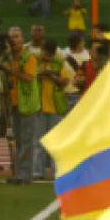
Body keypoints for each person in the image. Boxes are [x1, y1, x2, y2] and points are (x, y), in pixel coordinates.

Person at [3, 27, 40, 184]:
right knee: (18, 140)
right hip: (15, 104)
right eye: (11, 37)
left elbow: (29, 78)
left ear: (22, 38)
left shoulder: (28, 57)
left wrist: (11, 70)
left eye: (16, 36)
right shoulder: (9, 57)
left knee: (26, 141)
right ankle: (20, 173)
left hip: (27, 104)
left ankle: (24, 174)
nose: (14, 40)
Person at [32, 40, 71, 180]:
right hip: (38, 106)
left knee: (55, 141)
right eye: (44, 52)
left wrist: (51, 75)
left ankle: (57, 171)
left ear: (53, 53)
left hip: (55, 107)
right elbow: (31, 76)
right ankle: (37, 171)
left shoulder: (59, 64)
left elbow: (65, 81)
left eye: (49, 54)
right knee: (38, 141)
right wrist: (42, 73)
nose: (46, 55)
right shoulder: (34, 62)